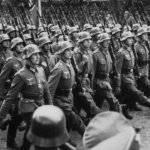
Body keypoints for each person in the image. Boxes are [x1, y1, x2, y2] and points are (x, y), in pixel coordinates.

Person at [0, 44, 52, 150]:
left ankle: (25, 147)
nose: (38, 57)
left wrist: (50, 105)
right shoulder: (21, 75)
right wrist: (1, 115)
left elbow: (46, 91)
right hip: (28, 106)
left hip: (40, 104)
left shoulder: (40, 70)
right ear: (28, 57)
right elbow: (10, 97)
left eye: (38, 54)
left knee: (27, 127)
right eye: (34, 55)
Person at [48, 41, 86, 136]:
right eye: (66, 50)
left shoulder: (69, 65)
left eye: (70, 50)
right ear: (61, 53)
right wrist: (50, 105)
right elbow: (50, 88)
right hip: (59, 99)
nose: (70, 52)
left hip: (69, 97)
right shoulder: (59, 68)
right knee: (75, 119)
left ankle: (65, 141)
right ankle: (88, 136)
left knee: (67, 122)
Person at [116, 31, 150, 112]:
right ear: (124, 40)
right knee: (136, 92)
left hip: (131, 75)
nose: (131, 40)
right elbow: (118, 70)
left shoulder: (131, 50)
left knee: (129, 93)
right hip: (125, 77)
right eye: (129, 39)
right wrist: (117, 84)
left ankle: (131, 105)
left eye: (131, 38)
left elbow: (134, 65)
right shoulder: (121, 53)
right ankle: (148, 103)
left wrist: (136, 74)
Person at [0, 37, 25, 149]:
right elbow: (2, 79)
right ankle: (10, 141)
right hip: (14, 94)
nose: (21, 46)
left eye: (22, 44)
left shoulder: (25, 59)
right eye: (18, 45)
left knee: (21, 116)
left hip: (25, 93)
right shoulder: (10, 61)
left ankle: (6, 121)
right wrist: (1, 96)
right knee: (17, 117)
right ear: (14, 48)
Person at [73, 31, 100, 120]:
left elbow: (92, 68)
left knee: (80, 103)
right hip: (80, 81)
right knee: (88, 102)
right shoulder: (77, 53)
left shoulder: (89, 51)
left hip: (88, 79)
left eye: (89, 40)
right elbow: (76, 70)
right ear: (81, 42)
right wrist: (83, 62)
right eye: (86, 40)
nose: (89, 42)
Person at [92, 33, 121, 112]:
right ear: (101, 42)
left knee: (98, 103)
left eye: (108, 41)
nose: (108, 42)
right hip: (100, 82)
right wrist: (92, 86)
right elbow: (92, 72)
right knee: (114, 102)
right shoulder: (95, 54)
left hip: (107, 80)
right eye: (105, 41)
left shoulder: (108, 53)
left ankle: (91, 119)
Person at [134, 27, 150, 97]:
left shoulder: (145, 45)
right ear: (140, 36)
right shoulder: (136, 46)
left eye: (146, 34)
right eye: (144, 34)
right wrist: (137, 71)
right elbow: (135, 61)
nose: (146, 35)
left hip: (146, 69)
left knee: (142, 88)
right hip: (140, 70)